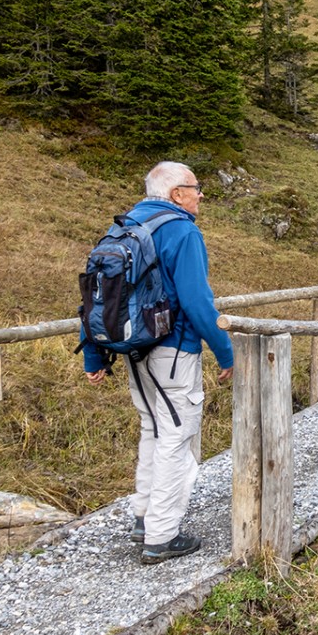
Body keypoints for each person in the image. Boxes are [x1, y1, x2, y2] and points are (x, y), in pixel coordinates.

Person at [83, 161, 233, 564]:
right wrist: (225, 350)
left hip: (134, 349)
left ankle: (144, 516)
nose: (201, 195)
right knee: (177, 435)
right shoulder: (182, 230)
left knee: (153, 427)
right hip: (173, 349)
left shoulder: (123, 226)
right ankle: (162, 535)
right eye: (196, 188)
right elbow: (197, 301)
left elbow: (97, 297)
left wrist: (94, 353)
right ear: (176, 193)